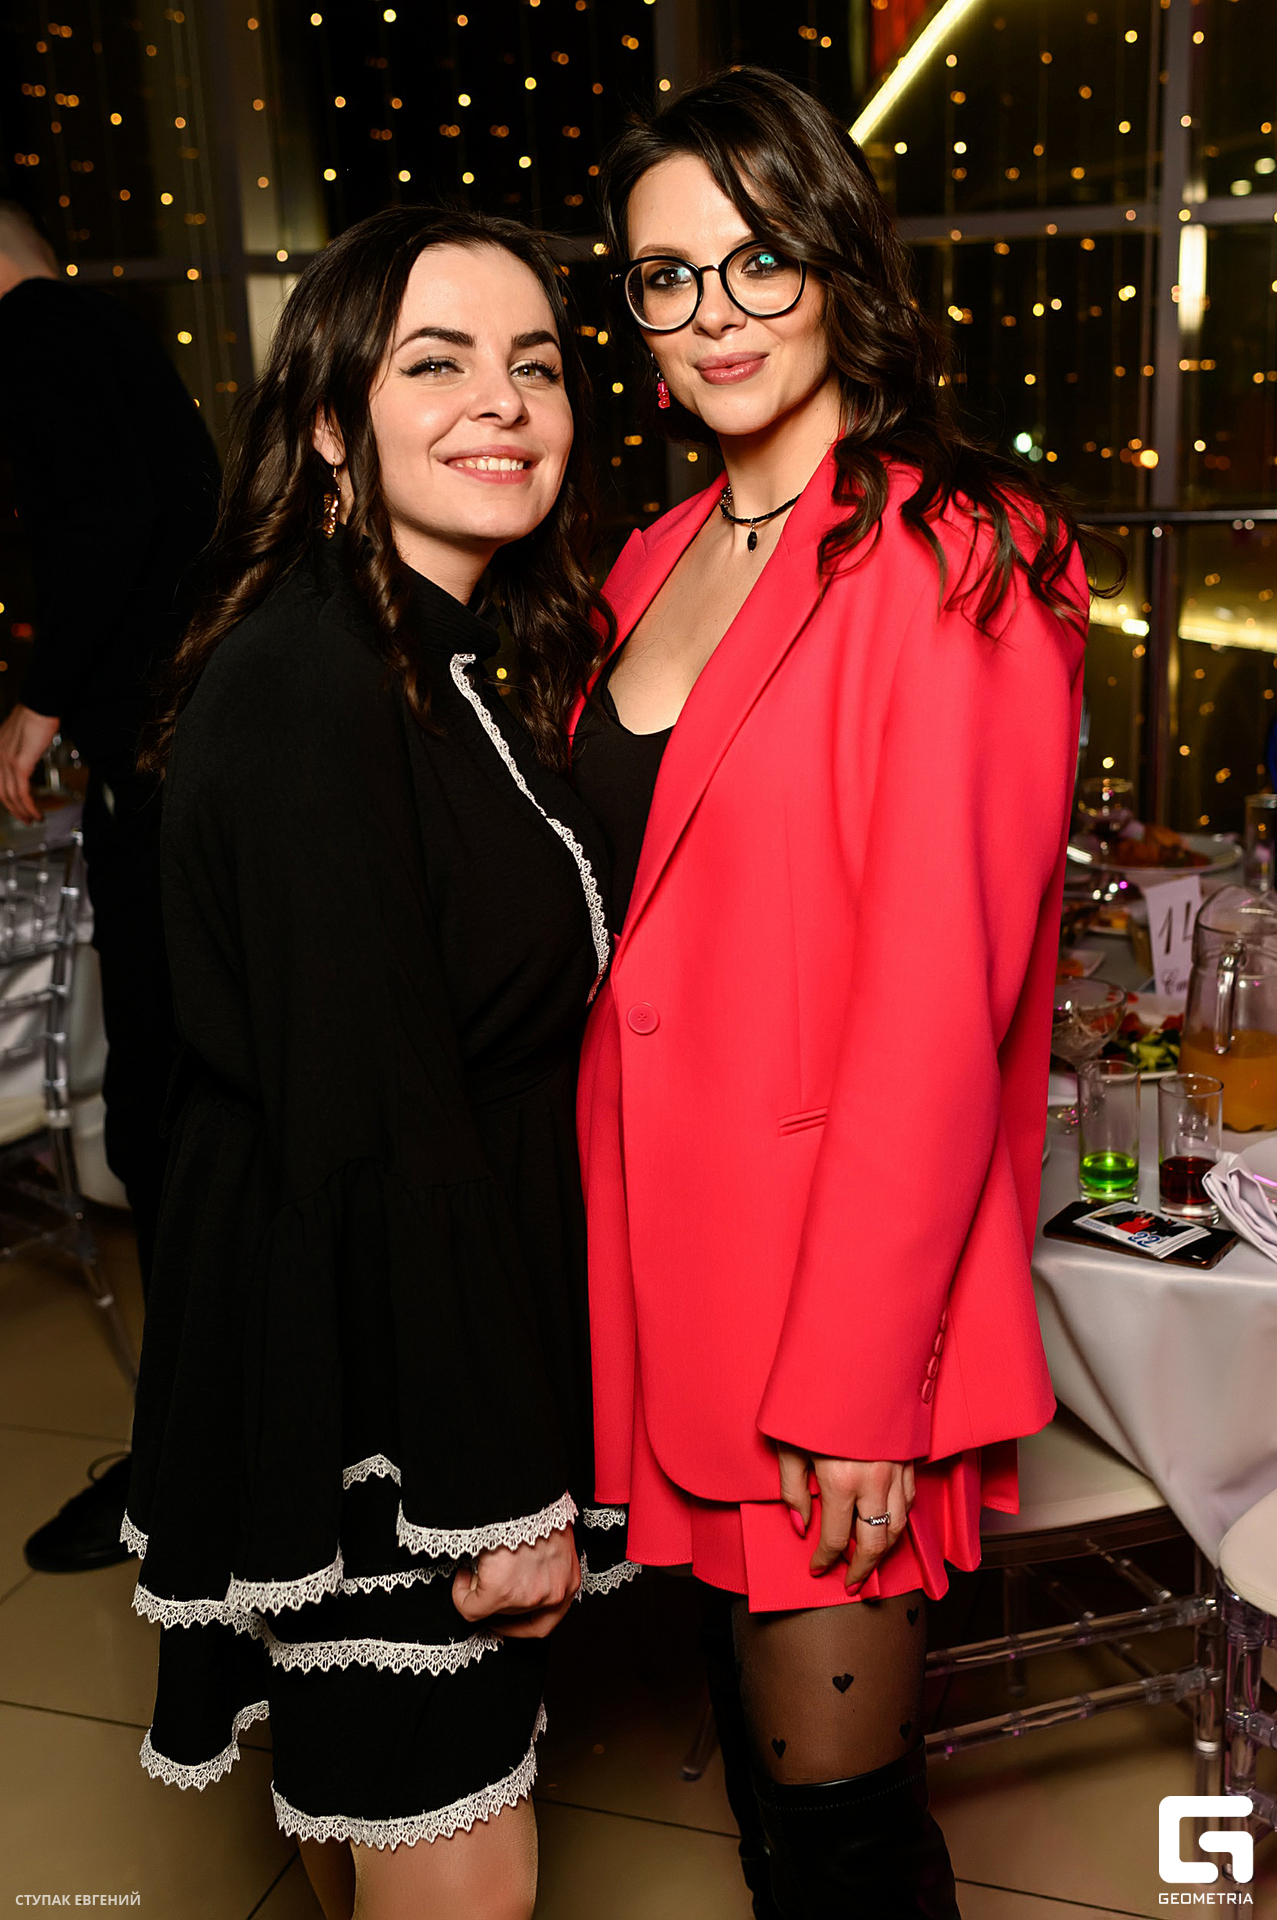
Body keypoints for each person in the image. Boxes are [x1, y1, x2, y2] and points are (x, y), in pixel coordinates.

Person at [572, 70, 1089, 1917]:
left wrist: (862, 1382)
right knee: (755, 1783)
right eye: (664, 276)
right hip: (668, 1274)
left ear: (837, 260)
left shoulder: (960, 546)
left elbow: (944, 999)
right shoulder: (646, 558)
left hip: (830, 1309)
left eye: (756, 258)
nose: (711, 314)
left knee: (836, 1843)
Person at [121, 207, 632, 1920]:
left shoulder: (429, 648)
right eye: (436, 363)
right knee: (459, 1860)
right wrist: (490, 1493)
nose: (503, 402)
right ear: (334, 423)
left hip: (411, 1323)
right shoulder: (311, 682)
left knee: (400, 1816)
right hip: (373, 1374)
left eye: (534, 364)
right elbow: (375, 1120)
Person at [0, 202, 220, 1574]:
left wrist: (37, 703)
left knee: (161, 1119)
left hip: (160, 759)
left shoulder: (34, 330)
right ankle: (201, 1446)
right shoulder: (100, 328)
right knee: (171, 1112)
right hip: (180, 747)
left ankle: (190, 1467)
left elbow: (113, 520)